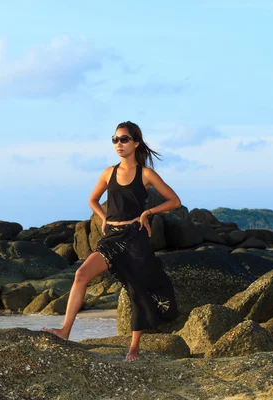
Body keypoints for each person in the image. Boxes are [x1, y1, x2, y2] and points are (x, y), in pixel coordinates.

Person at [41, 121, 182, 361]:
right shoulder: (109, 172)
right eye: (115, 139)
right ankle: (65, 330)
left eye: (124, 139)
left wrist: (148, 213)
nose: (119, 144)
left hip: (135, 238)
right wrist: (104, 218)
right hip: (112, 238)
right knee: (81, 274)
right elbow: (93, 200)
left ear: (136, 143)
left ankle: (134, 347)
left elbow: (174, 201)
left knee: (136, 288)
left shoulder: (146, 174)